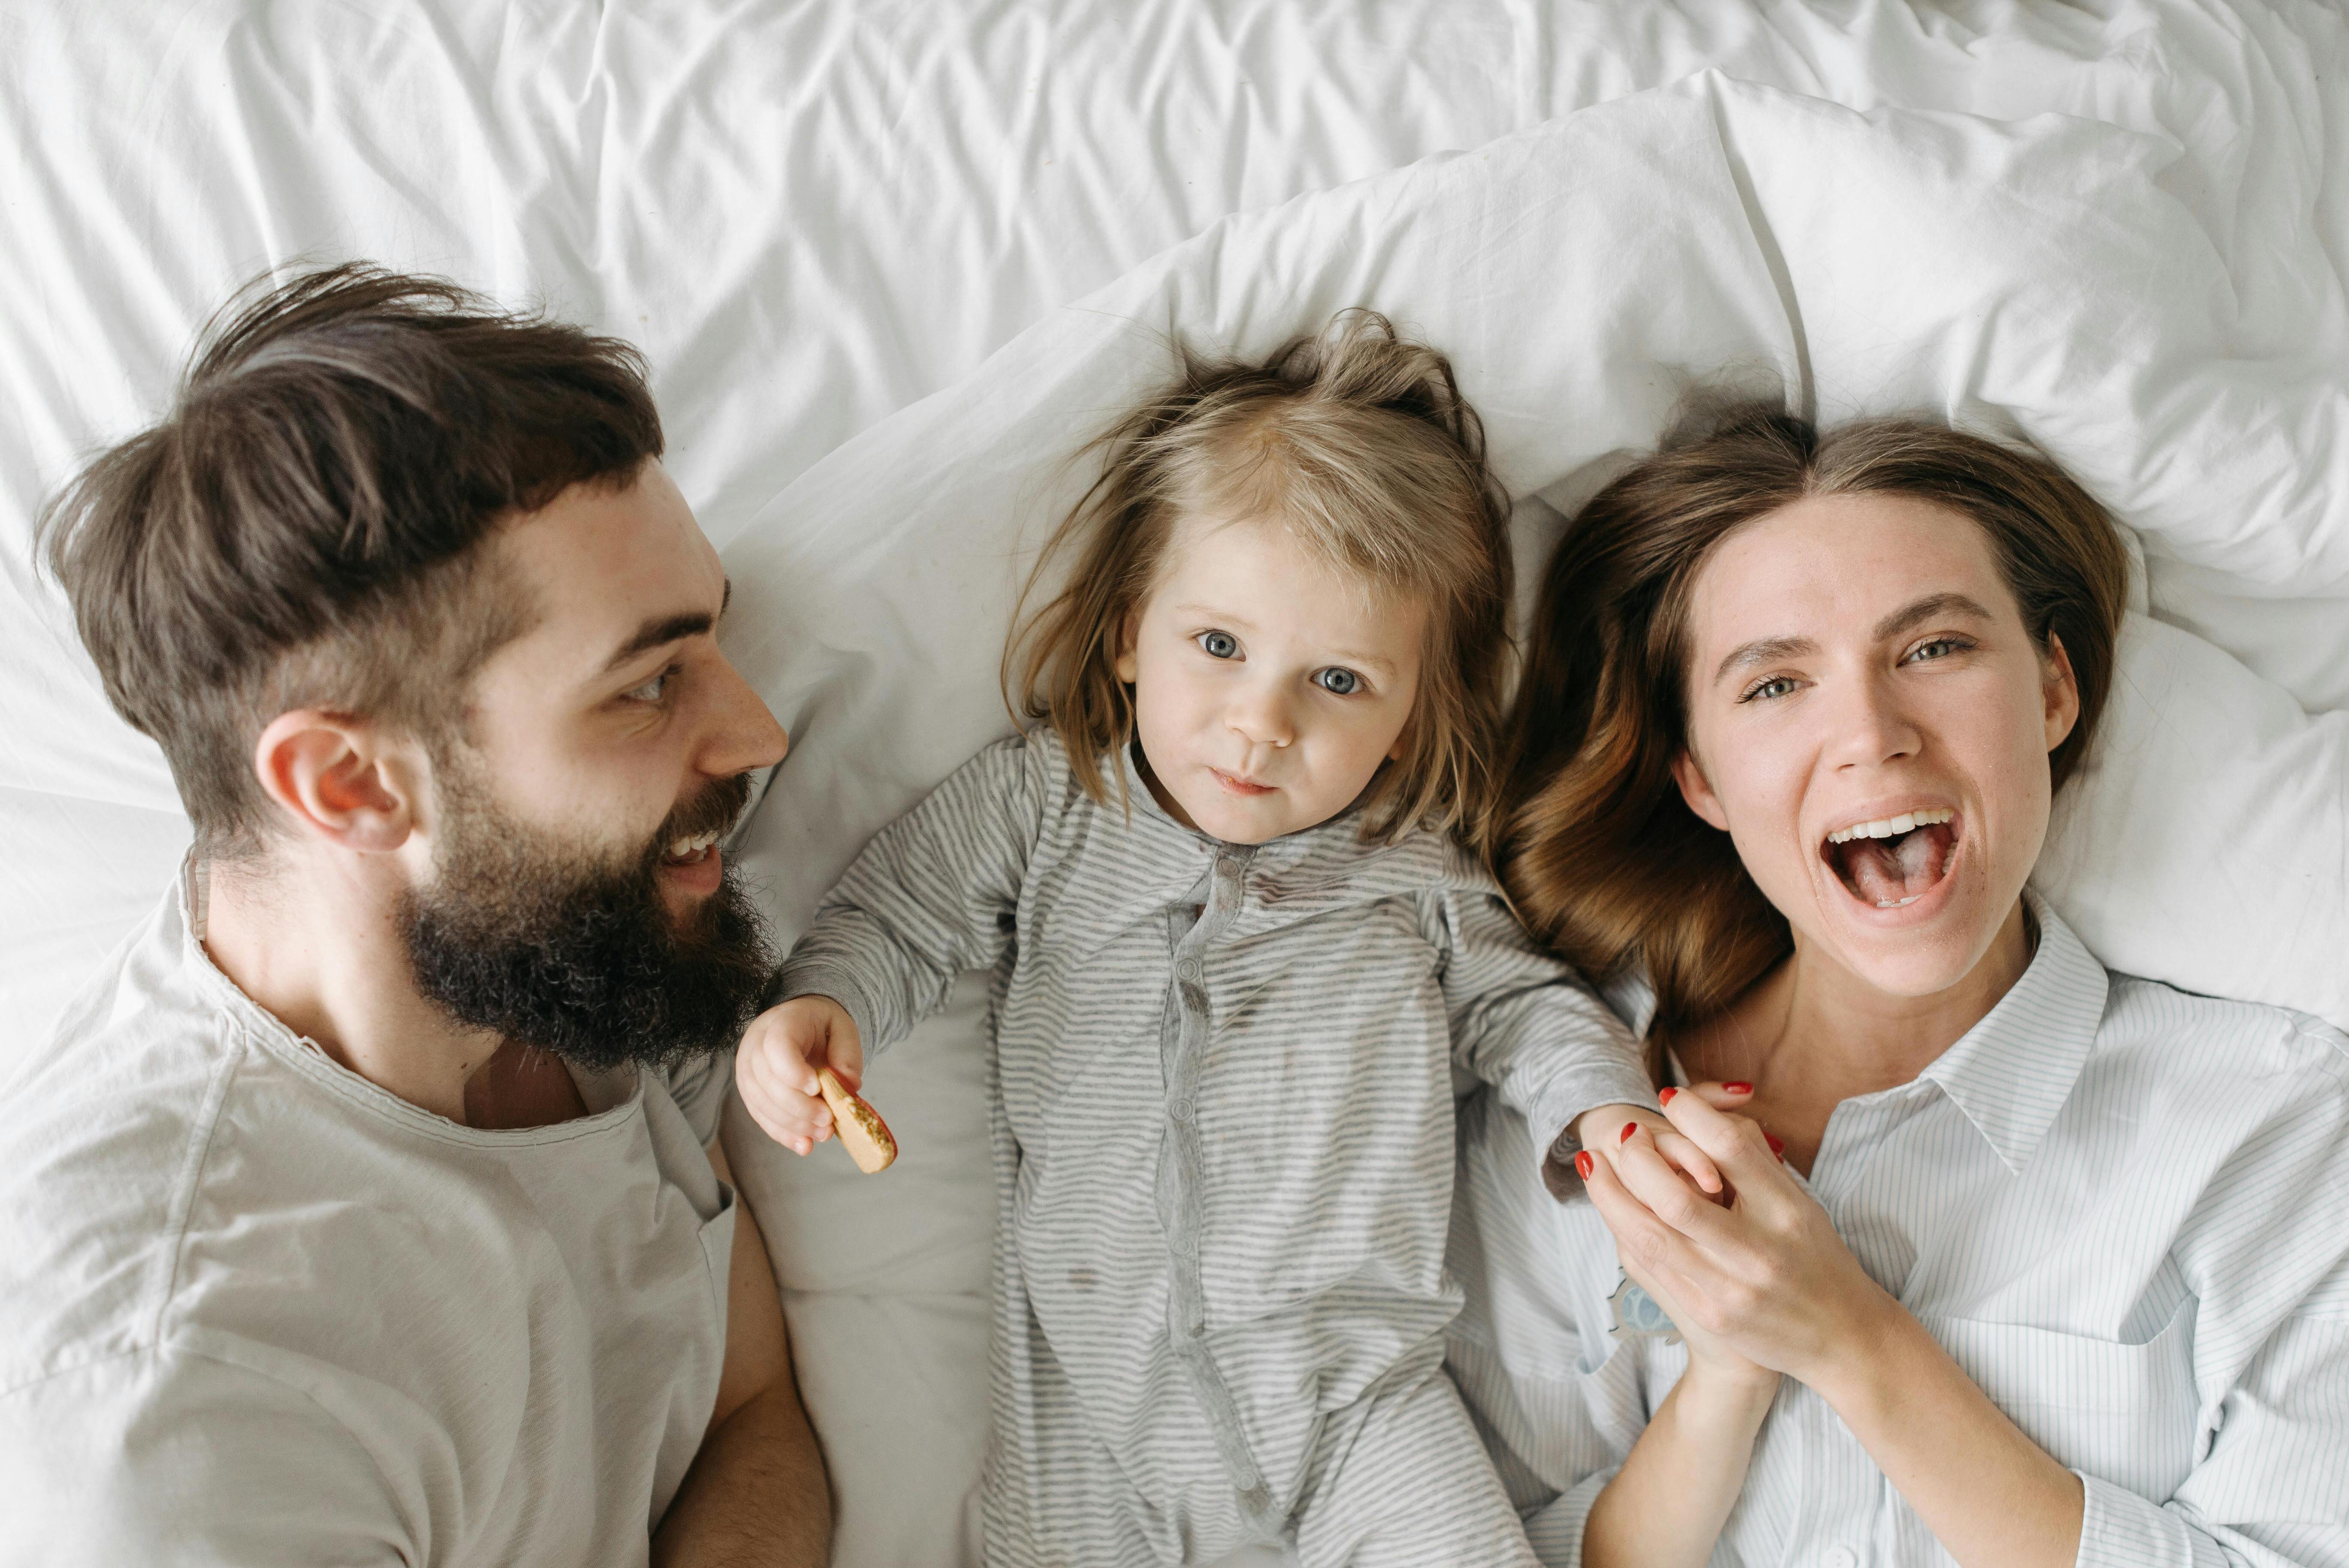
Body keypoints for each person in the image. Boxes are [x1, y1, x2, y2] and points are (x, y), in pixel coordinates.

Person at [732, 313, 1699, 1566]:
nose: (1260, 724)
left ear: (1412, 719)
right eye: (1220, 647)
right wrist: (823, 1009)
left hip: (1357, 1405)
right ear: (1129, 634)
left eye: (1338, 681)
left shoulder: (1412, 870)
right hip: (1093, 1430)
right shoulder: (1048, 800)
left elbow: (1526, 1009)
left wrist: (1605, 1112)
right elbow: (899, 915)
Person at [1, 265, 831, 1566]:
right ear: (349, 784)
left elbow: (750, 1411)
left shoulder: (551, 960)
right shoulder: (179, 1409)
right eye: (647, 683)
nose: (759, 733)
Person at [1447, 404, 2349, 1566]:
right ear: (1699, 774)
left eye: (1933, 650)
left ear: (2054, 692)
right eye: (1774, 685)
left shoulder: (2279, 1134)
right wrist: (1724, 1377)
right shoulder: (1560, 1126)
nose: (1870, 735)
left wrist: (1851, 1340)